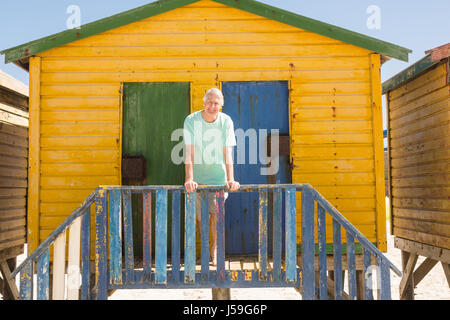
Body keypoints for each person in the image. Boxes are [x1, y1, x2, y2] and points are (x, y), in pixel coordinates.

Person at [183, 88, 240, 266]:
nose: (212, 106)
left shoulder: (225, 122)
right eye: (209, 102)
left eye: (216, 103)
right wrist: (189, 179)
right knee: (201, 218)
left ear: (221, 105)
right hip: (198, 180)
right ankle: (204, 251)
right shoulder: (191, 120)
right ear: (203, 102)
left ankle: (214, 251)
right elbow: (189, 152)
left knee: (216, 217)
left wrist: (230, 179)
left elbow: (228, 152)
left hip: (218, 179)